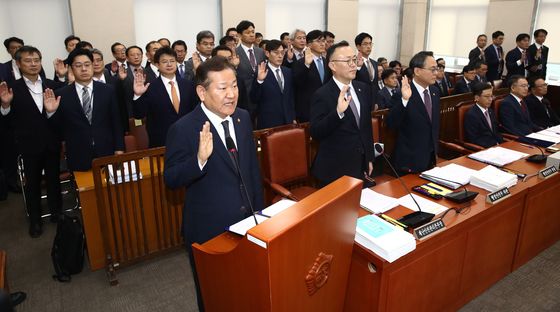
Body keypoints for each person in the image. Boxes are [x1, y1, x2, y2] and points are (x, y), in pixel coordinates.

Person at [164, 56, 264, 311]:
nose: (231, 94)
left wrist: (260, 216)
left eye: (235, 86)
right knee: (214, 296)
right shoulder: (184, 128)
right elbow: (172, 179)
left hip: (247, 224)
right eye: (222, 88)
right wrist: (198, 160)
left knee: (245, 290)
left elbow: (252, 171)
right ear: (201, 91)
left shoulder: (242, 118)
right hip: (209, 230)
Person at [0, 46, 65, 237]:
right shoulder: (11, 88)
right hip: (28, 145)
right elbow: (7, 122)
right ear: (18, 63)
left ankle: (56, 213)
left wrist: (52, 111)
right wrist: (4, 106)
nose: (33, 64)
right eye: (28, 61)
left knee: (54, 180)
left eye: (37, 60)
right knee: (33, 184)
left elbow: (61, 114)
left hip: (51, 142)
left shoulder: (51, 85)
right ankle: (35, 220)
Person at [45, 48, 124, 171]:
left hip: (106, 151)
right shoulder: (61, 94)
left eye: (87, 64)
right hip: (78, 154)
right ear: (71, 68)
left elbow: (116, 122)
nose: (84, 69)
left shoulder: (108, 90)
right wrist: (51, 112)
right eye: (78, 65)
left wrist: (119, 148)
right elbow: (57, 131)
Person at [310, 41, 374, 187]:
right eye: (347, 61)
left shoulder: (363, 88)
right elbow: (316, 132)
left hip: (360, 166)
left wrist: (369, 158)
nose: (353, 64)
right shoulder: (322, 94)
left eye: (354, 59)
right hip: (334, 169)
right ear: (332, 66)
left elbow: (366, 127)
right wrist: (338, 113)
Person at [132, 47, 198, 147]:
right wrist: (138, 95)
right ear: (157, 64)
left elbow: (196, 111)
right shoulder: (150, 87)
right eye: (164, 61)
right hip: (162, 142)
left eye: (172, 61)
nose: (169, 64)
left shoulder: (188, 85)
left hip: (188, 139)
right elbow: (139, 115)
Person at [388, 51, 440, 174]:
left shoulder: (435, 91)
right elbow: (391, 123)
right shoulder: (402, 94)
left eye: (436, 69)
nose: (436, 73)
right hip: (409, 161)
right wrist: (405, 100)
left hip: (430, 158)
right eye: (432, 69)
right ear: (417, 71)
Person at [250, 39, 296, 129]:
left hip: (287, 121)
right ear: (267, 53)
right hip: (268, 122)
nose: (280, 56)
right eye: (276, 53)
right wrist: (259, 81)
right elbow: (254, 98)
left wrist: (293, 117)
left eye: (282, 53)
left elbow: (291, 97)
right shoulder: (261, 72)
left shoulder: (287, 72)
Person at [292, 30, 330, 122]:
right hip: (307, 110)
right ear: (309, 45)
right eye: (318, 41)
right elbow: (297, 83)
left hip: (326, 109)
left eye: (324, 41)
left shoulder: (327, 62)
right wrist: (307, 65)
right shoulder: (301, 62)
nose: (322, 44)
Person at [235, 20, 265, 118]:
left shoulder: (260, 52)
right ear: (239, 35)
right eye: (248, 33)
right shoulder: (235, 53)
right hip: (243, 97)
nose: (252, 35)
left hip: (260, 94)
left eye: (253, 32)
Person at [464, 82, 503, 148]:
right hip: (483, 149)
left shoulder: (490, 111)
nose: (490, 99)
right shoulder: (472, 115)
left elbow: (496, 131)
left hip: (497, 147)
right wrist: (495, 145)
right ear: (477, 98)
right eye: (487, 96)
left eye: (491, 96)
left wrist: (500, 144)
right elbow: (474, 139)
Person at [354, 33, 379, 103]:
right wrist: (358, 67)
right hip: (359, 100)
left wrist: (376, 102)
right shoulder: (353, 62)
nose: (369, 46)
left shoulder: (374, 63)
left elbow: (375, 85)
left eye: (370, 44)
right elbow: (351, 80)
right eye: (365, 44)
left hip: (372, 101)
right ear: (358, 46)